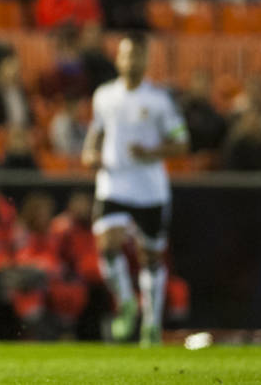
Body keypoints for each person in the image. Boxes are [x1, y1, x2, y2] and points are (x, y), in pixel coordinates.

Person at [81, 33, 189, 346]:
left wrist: (152, 152)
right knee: (107, 245)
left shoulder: (159, 100)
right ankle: (127, 302)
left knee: (150, 257)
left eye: (137, 55)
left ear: (146, 60)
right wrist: (90, 153)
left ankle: (151, 324)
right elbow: (96, 132)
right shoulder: (104, 96)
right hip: (114, 181)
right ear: (118, 59)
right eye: (127, 55)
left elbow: (182, 142)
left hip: (149, 187)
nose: (131, 61)